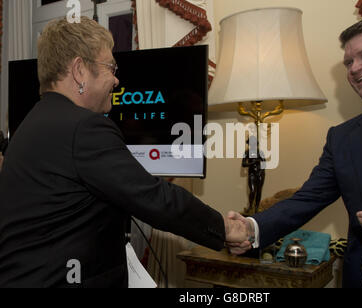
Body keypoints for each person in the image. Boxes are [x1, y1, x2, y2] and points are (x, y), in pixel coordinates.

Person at [0, 16, 247, 288]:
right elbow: (155, 198)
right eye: (110, 67)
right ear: (80, 70)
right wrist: (224, 228)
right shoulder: (84, 127)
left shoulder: (30, 124)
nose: (116, 80)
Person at [227, 15, 362, 288]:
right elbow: (306, 199)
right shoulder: (342, 137)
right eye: (348, 62)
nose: (354, 68)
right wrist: (252, 227)